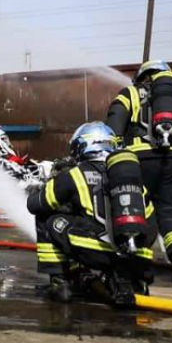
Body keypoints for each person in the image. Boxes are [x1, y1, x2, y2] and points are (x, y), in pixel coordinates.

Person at [28, 122, 153, 308]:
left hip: (95, 251)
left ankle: (59, 282)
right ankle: (128, 279)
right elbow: (151, 223)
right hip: (138, 256)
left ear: (82, 146)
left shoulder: (75, 175)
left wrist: (42, 189)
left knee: (46, 217)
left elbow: (35, 204)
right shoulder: (132, 180)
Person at [105, 60, 172, 283]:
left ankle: (140, 264)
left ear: (143, 76)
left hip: (138, 160)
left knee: (138, 209)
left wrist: (114, 158)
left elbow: (113, 128)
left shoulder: (129, 94)